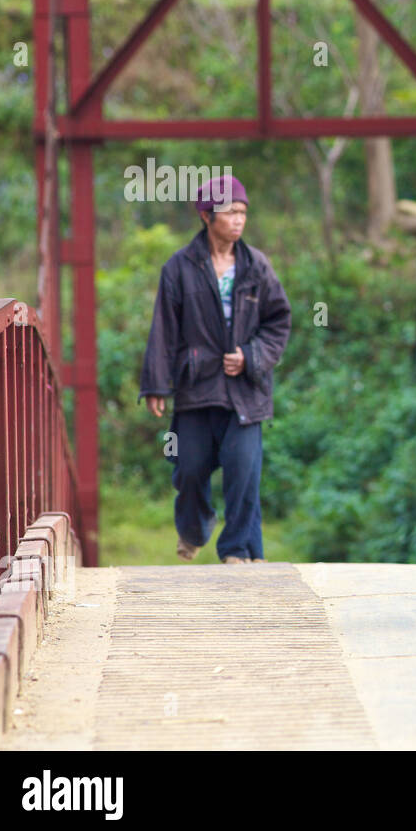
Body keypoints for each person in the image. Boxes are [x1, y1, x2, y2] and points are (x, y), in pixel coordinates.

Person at [138, 175, 292, 564]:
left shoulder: (257, 266)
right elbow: (164, 329)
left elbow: (278, 321)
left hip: (246, 390)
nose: (238, 220)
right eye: (230, 212)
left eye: (243, 212)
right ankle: (194, 529)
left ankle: (238, 550)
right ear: (207, 216)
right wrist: (156, 384)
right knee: (189, 469)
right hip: (197, 386)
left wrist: (251, 356)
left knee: (243, 471)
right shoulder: (179, 267)